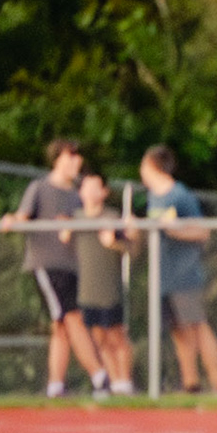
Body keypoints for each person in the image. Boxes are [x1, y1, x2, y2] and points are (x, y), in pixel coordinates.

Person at [0, 138, 111, 398]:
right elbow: (22, 216)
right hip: (47, 265)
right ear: (57, 159)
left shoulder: (76, 195)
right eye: (71, 156)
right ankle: (99, 375)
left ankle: (55, 385)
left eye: (78, 156)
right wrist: (10, 219)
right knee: (72, 317)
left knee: (61, 325)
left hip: (72, 267)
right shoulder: (39, 187)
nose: (77, 161)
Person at [139, 144, 217, 393]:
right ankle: (191, 383)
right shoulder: (153, 198)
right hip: (162, 276)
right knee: (178, 329)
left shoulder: (180, 195)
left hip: (184, 274)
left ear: (153, 166)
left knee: (197, 324)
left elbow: (202, 232)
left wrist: (175, 230)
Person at [67, 168, 138, 395]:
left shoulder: (112, 217)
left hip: (110, 288)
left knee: (116, 334)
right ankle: (111, 382)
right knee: (98, 337)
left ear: (104, 192)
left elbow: (132, 248)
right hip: (87, 289)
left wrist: (115, 242)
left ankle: (124, 381)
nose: (90, 191)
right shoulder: (75, 219)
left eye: (95, 187)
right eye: (86, 186)